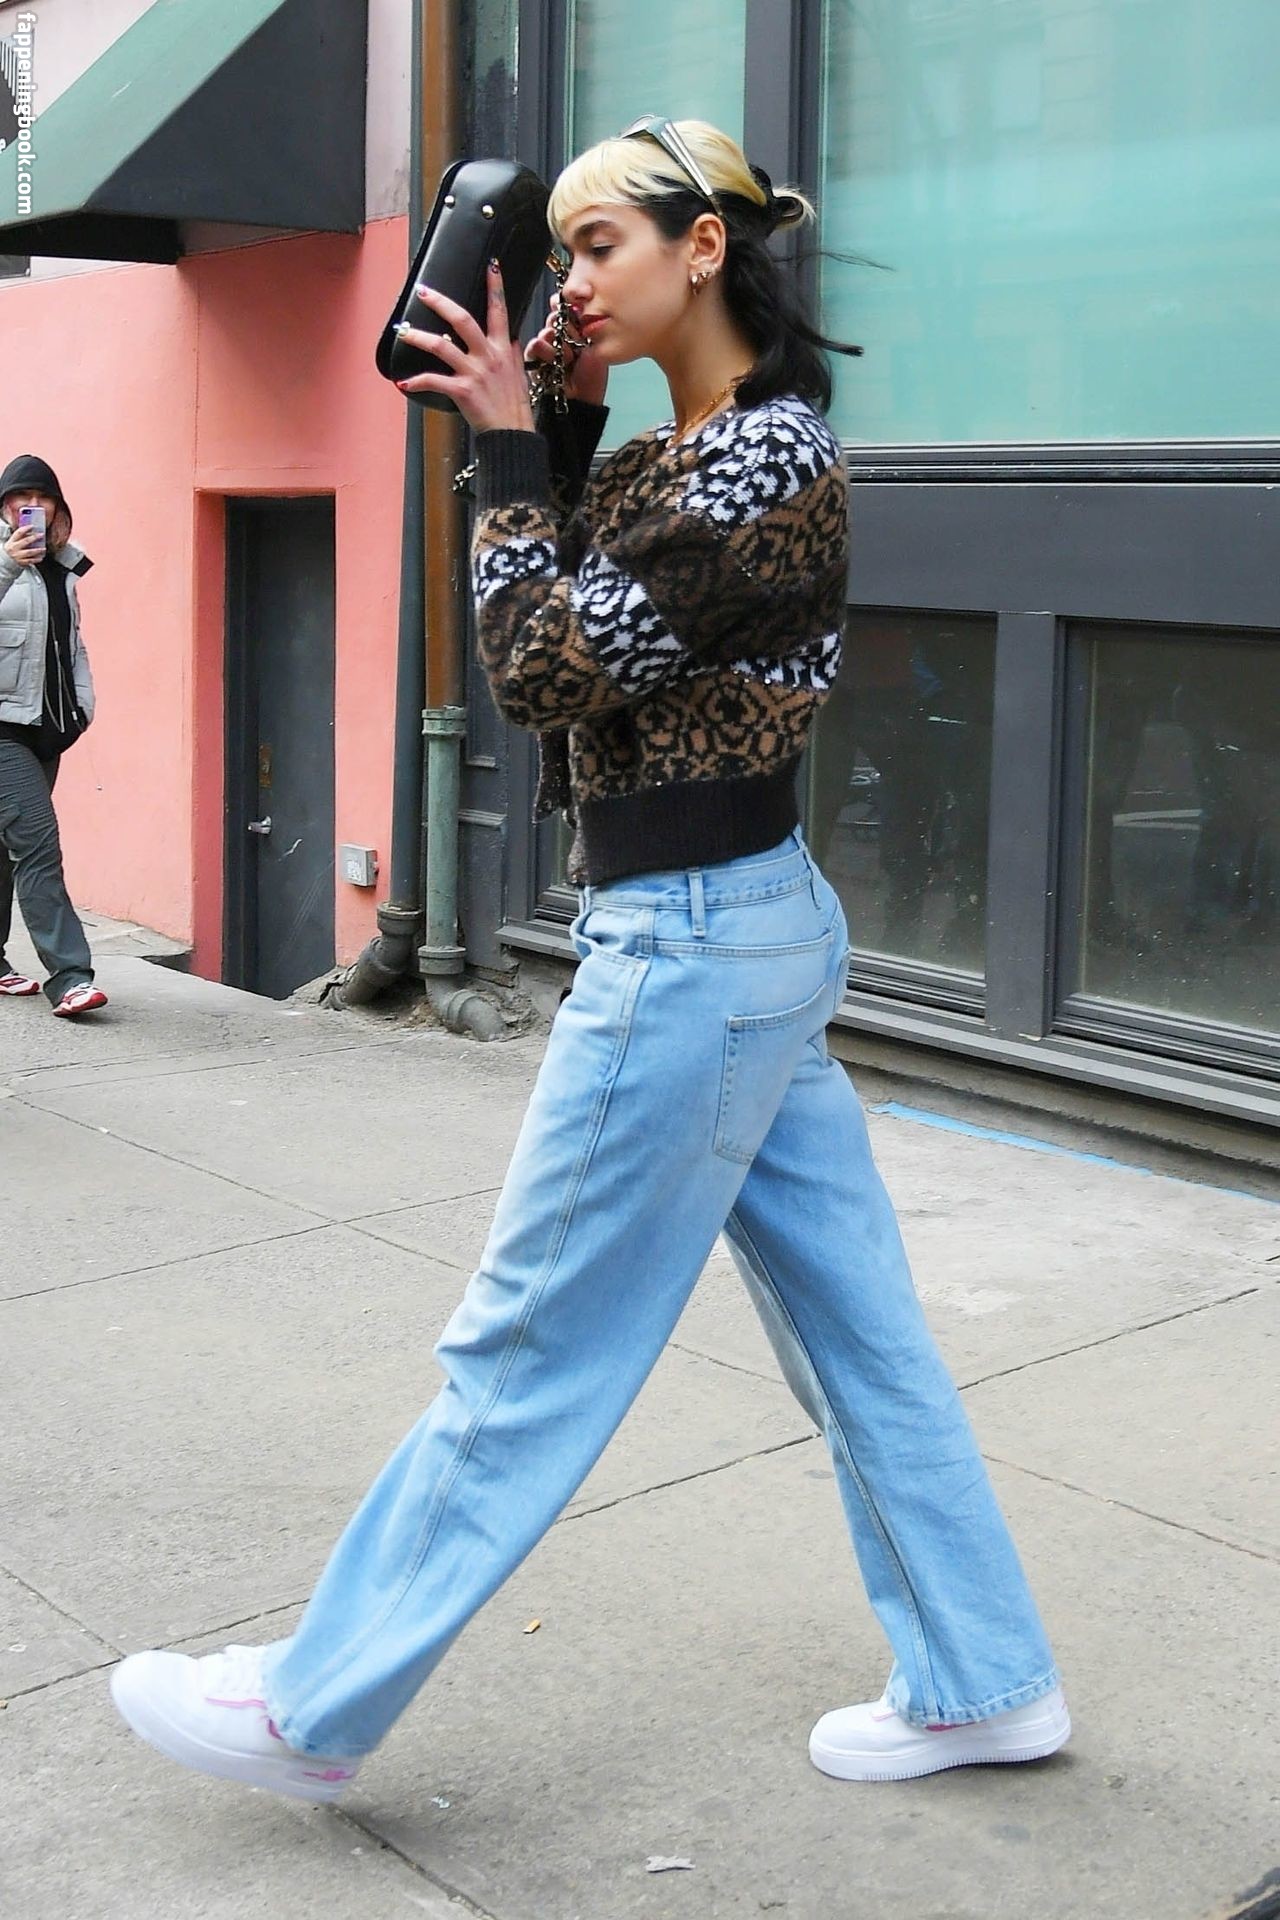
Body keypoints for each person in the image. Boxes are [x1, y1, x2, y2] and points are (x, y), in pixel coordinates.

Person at [109, 118, 1067, 1798]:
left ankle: (314, 1708)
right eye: (557, 253)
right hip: (739, 928)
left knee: (532, 1339)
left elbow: (545, 669)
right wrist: (543, 404)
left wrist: (504, 444)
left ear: (705, 247)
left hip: (694, 944)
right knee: (862, 1344)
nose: (574, 282)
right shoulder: (680, 451)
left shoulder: (766, 459)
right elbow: (555, 568)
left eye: (601, 245)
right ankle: (984, 1681)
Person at [0, 454, 107, 1016]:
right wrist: (6, 565)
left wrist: (82, 706)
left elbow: (71, 645)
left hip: (47, 729)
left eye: (43, 498)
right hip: (2, 727)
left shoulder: (63, 566)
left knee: (6, 848)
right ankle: (69, 977)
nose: (33, 507)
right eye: (22, 499)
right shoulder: (6, 561)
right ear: (5, 509)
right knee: (39, 846)